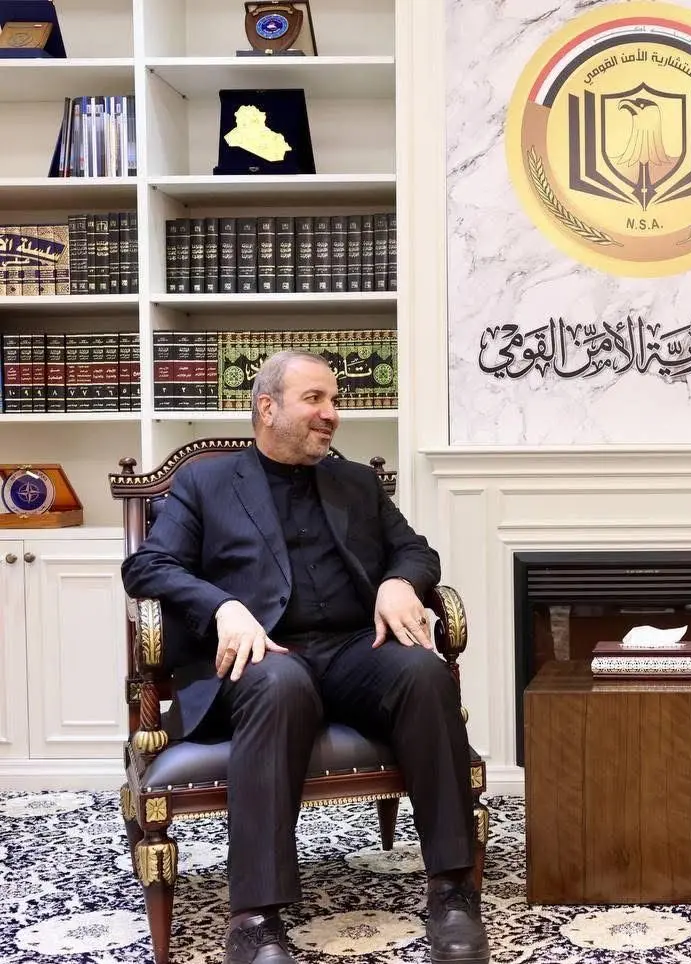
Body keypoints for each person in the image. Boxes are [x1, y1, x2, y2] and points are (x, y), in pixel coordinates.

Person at [121, 350, 489, 964]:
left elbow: (417, 551)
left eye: (335, 400)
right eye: (315, 399)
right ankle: (255, 921)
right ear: (267, 408)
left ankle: (452, 892)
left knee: (424, 672)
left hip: (352, 650)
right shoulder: (207, 484)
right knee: (281, 683)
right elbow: (147, 566)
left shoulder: (356, 482)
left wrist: (400, 582)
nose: (332, 413)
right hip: (262, 652)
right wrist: (221, 606)